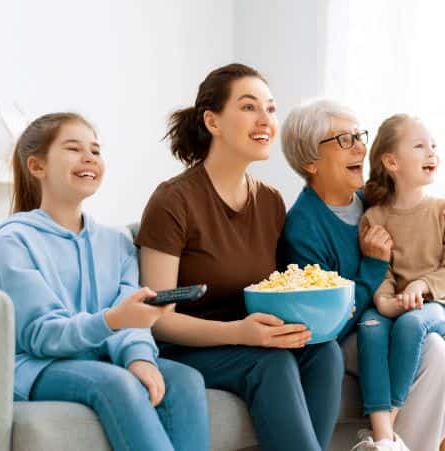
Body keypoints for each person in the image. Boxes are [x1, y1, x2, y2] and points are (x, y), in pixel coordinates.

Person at [136, 64, 344, 451]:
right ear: (212, 121)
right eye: (249, 107)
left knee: (324, 353)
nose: (265, 120)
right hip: (187, 349)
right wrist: (238, 333)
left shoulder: (270, 201)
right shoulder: (173, 201)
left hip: (251, 339)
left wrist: (327, 309)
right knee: (271, 363)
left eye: (270, 108)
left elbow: (284, 288)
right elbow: (158, 320)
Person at [0, 113, 209, 451]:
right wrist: (112, 320)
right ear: (37, 166)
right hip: (39, 364)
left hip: (101, 357)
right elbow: (39, 334)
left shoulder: (116, 241)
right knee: (117, 383)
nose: (89, 157)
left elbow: (133, 321)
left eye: (95, 150)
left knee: (185, 379)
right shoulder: (13, 240)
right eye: (73, 148)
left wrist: (139, 358)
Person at [279, 99, 445, 451]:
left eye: (359, 135)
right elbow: (328, 323)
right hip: (348, 335)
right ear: (311, 161)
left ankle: (384, 444)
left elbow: (419, 222)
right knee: (433, 350)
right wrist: (372, 268)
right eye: (344, 140)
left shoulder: (369, 197)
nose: (360, 146)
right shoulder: (304, 228)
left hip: (400, 317)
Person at [349, 113, 445, 450]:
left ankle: (387, 435)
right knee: (371, 327)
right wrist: (385, 301)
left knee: (410, 326)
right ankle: (383, 435)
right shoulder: (374, 217)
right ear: (391, 161)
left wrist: (422, 287)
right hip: (393, 304)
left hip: (435, 305)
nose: (431, 153)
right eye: (419, 146)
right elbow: (380, 270)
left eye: (433, 146)